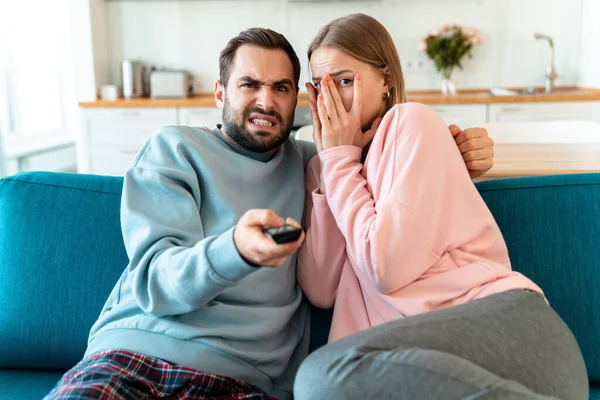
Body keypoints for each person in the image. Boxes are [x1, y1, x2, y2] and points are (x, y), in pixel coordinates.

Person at [44, 27, 495, 400]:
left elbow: (389, 176)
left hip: (243, 381)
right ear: (220, 91)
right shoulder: (175, 149)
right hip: (133, 356)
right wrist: (235, 249)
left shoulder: (316, 164)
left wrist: (456, 154)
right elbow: (156, 282)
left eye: (281, 88)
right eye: (249, 85)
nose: (266, 100)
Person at [294, 13, 588, 400]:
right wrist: (331, 165)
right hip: (414, 362)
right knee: (320, 382)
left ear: (386, 81)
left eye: (345, 81)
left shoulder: (410, 124)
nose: (330, 99)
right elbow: (320, 290)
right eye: (320, 86)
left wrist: (339, 164)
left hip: (505, 331)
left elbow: (386, 267)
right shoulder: (326, 167)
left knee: (318, 378)